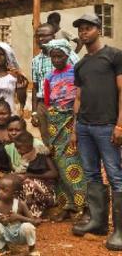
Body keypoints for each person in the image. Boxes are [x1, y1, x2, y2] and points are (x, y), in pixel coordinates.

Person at [70, 14, 122, 251]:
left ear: (98, 29)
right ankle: (98, 222)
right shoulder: (80, 64)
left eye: (88, 28)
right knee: (91, 174)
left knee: (115, 176)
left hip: (107, 126)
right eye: (81, 29)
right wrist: (74, 128)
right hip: (85, 126)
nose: (83, 32)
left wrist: (120, 125)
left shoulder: (114, 56)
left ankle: (119, 230)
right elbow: (78, 98)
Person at [43, 39, 87, 222]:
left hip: (71, 122)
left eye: (59, 56)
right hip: (55, 125)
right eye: (53, 56)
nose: (56, 59)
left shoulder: (75, 72)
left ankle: (83, 206)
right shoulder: (49, 77)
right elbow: (46, 102)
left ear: (67, 55)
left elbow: (80, 99)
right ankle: (66, 206)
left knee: (72, 164)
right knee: (59, 167)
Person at [31, 23, 79, 146]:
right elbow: (35, 87)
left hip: (66, 106)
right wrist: (34, 112)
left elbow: (80, 78)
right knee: (48, 141)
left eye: (44, 35)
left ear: (53, 36)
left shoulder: (69, 55)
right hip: (43, 104)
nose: (40, 39)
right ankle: (52, 165)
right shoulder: (36, 60)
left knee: (67, 141)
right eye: (37, 36)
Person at [0, 174, 41, 256]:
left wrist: (18, 217)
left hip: (20, 235)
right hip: (6, 234)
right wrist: (0, 220)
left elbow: (34, 222)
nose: (0, 192)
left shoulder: (20, 204)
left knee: (28, 226)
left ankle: (32, 248)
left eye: (4, 190)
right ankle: (3, 248)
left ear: (14, 194)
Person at [13, 132, 57, 218]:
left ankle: (32, 216)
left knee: (28, 182)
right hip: (33, 194)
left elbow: (54, 174)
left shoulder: (41, 154)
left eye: (20, 148)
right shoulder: (24, 159)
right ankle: (26, 212)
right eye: (16, 148)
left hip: (48, 195)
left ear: (29, 146)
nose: (18, 150)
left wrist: (30, 175)